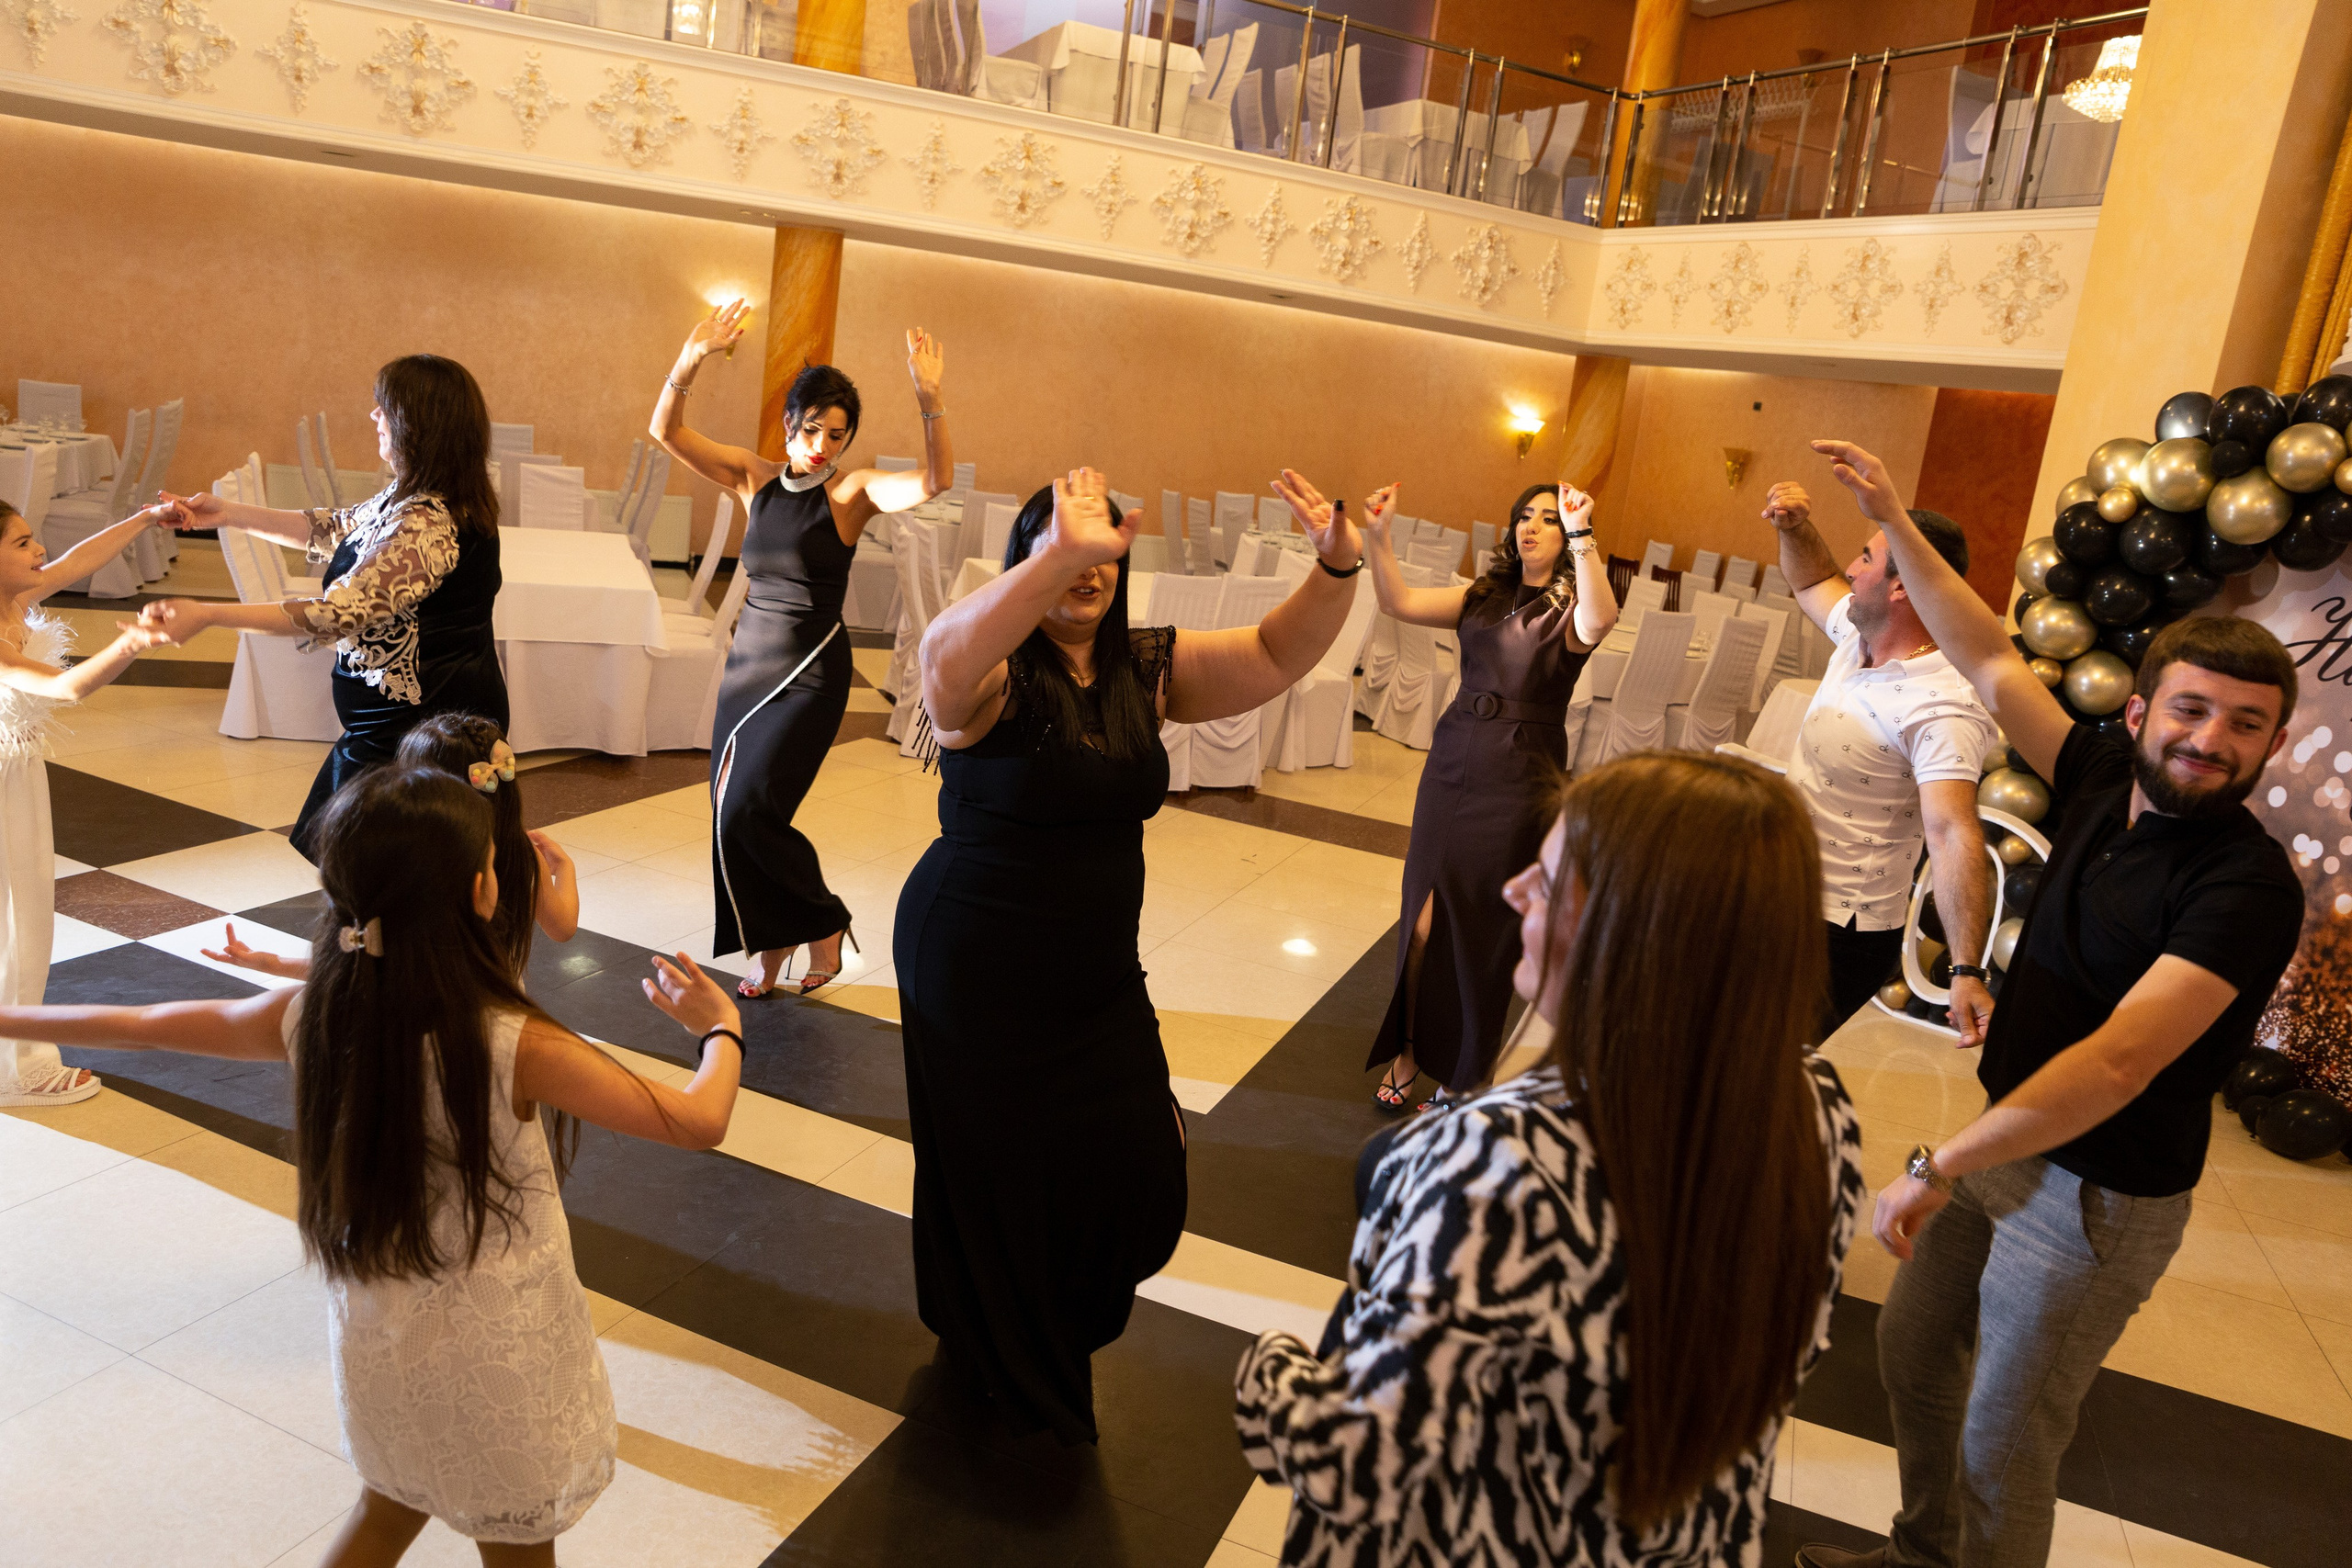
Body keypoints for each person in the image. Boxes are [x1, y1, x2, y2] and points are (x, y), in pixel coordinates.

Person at [0, 765, 746, 1567]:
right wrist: (720, 1027)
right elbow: (698, 1120)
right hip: (501, 1345)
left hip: (383, 1329)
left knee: (390, 1505)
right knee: (516, 1534)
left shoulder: (310, 1011)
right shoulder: (514, 1041)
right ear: (478, 894)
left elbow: (143, 1022)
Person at [1792, 441, 2306, 1568]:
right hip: (2006, 1147)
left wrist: (1940, 1165)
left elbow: (2122, 1063)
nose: (2208, 741)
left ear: (2272, 741)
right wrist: (1886, 512)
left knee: (2007, 1443)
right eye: (2191, 710)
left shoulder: (2245, 885)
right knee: (1914, 1361)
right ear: (2140, 713)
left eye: (2242, 724)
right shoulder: (2092, 777)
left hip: (2095, 1200)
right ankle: (1923, 1555)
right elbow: (1980, 652)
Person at [1235, 752, 1866, 1565]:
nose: (1514, 890)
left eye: (1549, 879)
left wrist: (1268, 1368)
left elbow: (1356, 1463)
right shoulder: (1814, 1102)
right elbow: (1799, 1343)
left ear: (1630, 931)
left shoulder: (1500, 1159)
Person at [903, 467, 1362, 1443]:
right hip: (979, 965)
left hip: (1097, 974)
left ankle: (1040, 1323)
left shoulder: (1140, 667)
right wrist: (1051, 559)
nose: (1092, 562)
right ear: (1034, 559)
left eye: (1106, 544)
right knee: (1002, 1175)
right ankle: (1011, 1364)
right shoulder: (990, 673)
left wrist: (1335, 567)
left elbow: (1281, 651)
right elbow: (940, 653)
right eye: (1068, 543)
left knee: (1142, 1166)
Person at [652, 302, 951, 998]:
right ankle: (778, 936)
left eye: (836, 434)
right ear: (790, 422)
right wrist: (690, 358)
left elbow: (934, 484)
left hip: (811, 670)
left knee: (749, 809)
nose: (821, 444)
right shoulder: (753, 477)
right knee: (731, 809)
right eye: (811, 428)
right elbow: (663, 430)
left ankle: (818, 920)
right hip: (747, 666)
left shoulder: (849, 492)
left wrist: (930, 402)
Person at [1328, 473, 1616, 1111]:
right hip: (1453, 757)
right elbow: (1398, 600)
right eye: (1524, 515)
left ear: (1565, 533)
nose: (1532, 525)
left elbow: (1605, 616)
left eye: (1547, 517)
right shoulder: (1484, 594)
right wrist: (1378, 538)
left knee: (1484, 928)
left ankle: (1463, 1070)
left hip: (1520, 777)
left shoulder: (1570, 605)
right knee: (1423, 918)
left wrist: (1585, 533)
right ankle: (1408, 1049)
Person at [144, 355, 508, 861]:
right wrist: (224, 514)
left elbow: (337, 613)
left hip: (418, 729)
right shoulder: (414, 497)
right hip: (396, 723)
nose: (373, 416)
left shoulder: (431, 521)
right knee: (372, 867)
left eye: (384, 407)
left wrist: (210, 614)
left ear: (416, 423)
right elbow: (334, 527)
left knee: (388, 868)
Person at [1758, 479, 1998, 1043]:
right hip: (1780, 893)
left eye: (1866, 558)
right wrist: (1793, 527)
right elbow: (1813, 578)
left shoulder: (1941, 703)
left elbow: (1951, 830)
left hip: (1836, 932)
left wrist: (1965, 969)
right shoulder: (1857, 637)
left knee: (1754, 1076)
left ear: (1902, 589)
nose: (1851, 567)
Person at [0, 498, 177, 1108]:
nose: (39, 550)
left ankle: (18, 1051)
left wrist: (146, 517)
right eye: (21, 543)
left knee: (23, 917)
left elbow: (79, 559)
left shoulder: (14, 599)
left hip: (14, 772)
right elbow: (62, 686)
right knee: (19, 922)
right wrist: (132, 643)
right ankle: (22, 1067)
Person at [204, 713, 579, 982]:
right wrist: (564, 870)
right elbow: (562, 928)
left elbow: (366, 961)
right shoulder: (521, 853)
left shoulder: (409, 869)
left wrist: (272, 963)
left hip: (418, 1017)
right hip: (501, 1007)